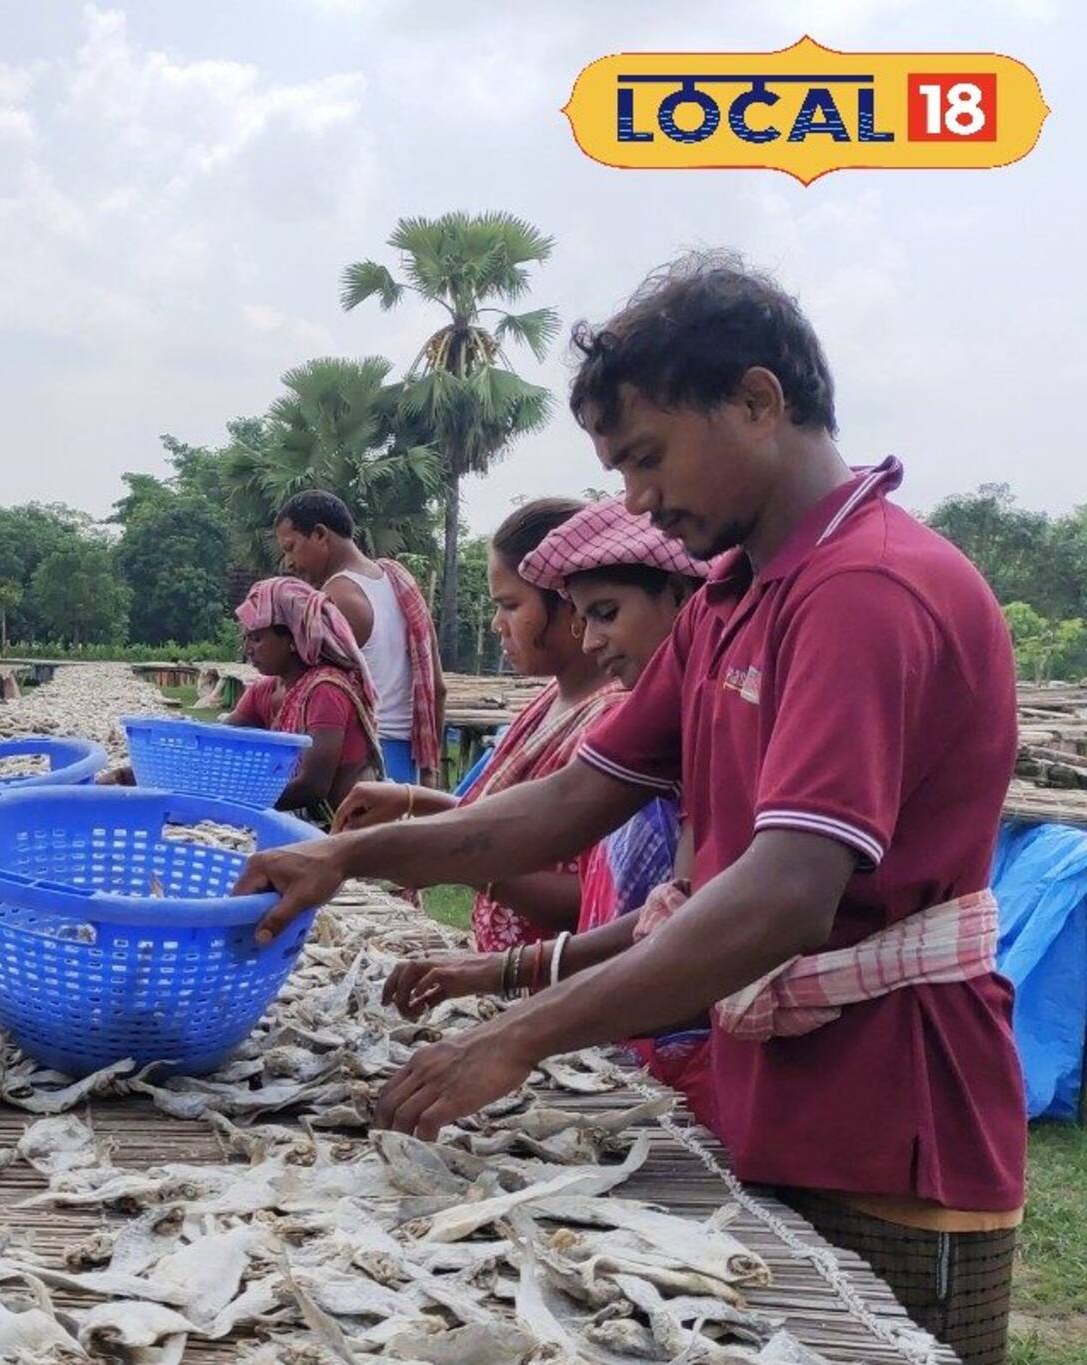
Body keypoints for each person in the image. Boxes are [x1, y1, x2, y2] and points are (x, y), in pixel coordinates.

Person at [235, 255, 1024, 1364]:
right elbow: (564, 803)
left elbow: (790, 892)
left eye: (645, 459)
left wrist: (517, 1033)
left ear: (758, 401)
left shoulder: (863, 590)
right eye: (617, 470)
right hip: (767, 1092)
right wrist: (344, 858)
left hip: (888, 1121)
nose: (636, 500)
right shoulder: (728, 603)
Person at [363, 497, 718, 1126]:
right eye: (587, 615)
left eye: (605, 613)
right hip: (600, 1025)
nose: (591, 635)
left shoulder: (652, 725)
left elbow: (674, 928)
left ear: (683, 599)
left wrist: (511, 1003)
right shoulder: (628, 718)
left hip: (657, 1042)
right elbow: (650, 916)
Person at [335, 500, 622, 953]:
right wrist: (415, 801)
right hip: (497, 968)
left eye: (510, 605)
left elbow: (594, 897)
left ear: (573, 607)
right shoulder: (554, 696)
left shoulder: (613, 720)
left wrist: (455, 861)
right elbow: (524, 823)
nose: (496, 625)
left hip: (549, 986)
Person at [273, 492, 445, 783]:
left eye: (291, 548)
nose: (288, 562)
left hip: (359, 764)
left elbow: (311, 696)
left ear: (319, 534)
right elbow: (437, 688)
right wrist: (429, 770)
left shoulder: (334, 599)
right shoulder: (400, 586)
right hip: (405, 762)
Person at [221, 577, 384, 825]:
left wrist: (234, 803)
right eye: (246, 638)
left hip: (350, 829)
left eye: (256, 638)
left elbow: (312, 786)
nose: (248, 649)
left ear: (293, 639)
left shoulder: (326, 691)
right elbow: (222, 741)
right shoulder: (266, 690)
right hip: (308, 822)